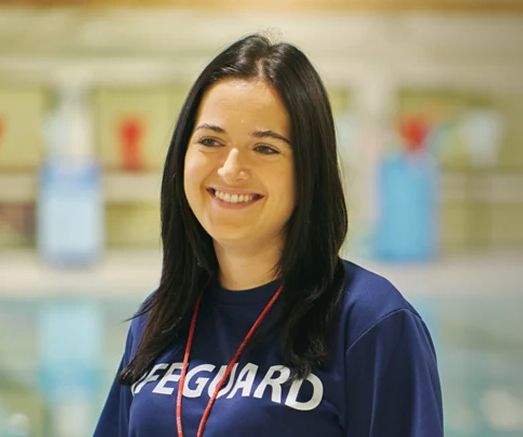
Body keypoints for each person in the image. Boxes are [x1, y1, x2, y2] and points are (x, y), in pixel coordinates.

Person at [92, 34, 445, 437]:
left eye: (265, 148)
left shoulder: (369, 322)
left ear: (308, 170)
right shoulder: (159, 318)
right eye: (210, 141)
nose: (229, 169)